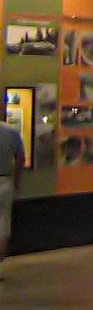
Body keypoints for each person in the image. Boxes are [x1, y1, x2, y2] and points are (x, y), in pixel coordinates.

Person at [0, 115, 24, 279]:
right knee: (3, 225)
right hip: (5, 181)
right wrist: (17, 181)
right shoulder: (11, 131)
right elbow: (20, 158)